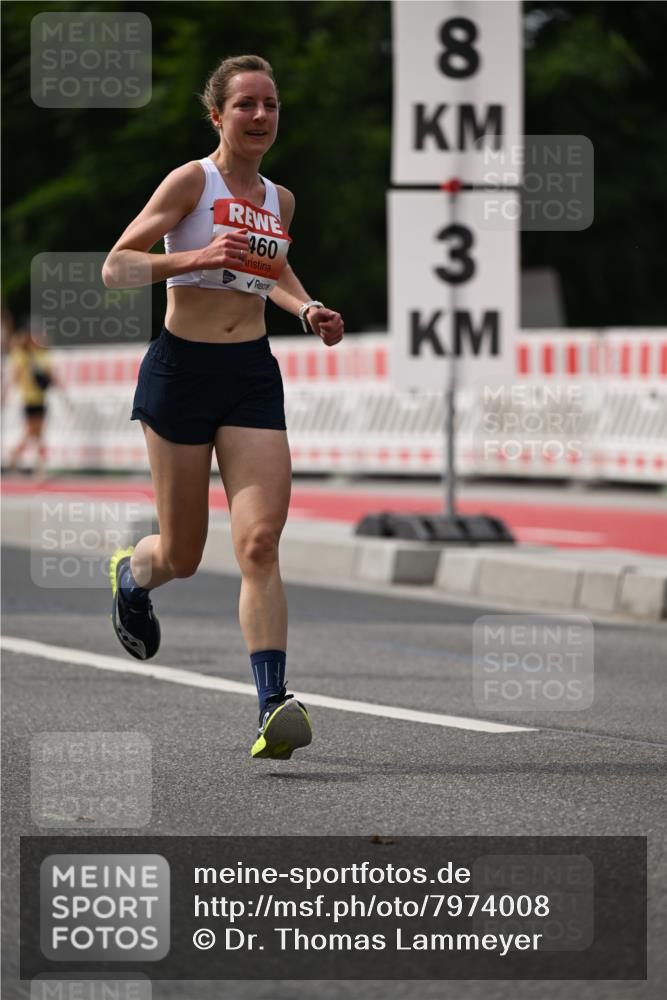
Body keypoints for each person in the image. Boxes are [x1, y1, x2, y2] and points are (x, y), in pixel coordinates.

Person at [102, 54, 344, 761]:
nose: (260, 116)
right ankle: (133, 574)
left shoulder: (280, 199)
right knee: (181, 553)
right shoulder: (191, 181)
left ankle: (273, 706)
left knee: (259, 542)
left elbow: (273, 274)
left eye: (270, 104)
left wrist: (308, 309)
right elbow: (117, 265)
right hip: (180, 371)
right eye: (245, 104)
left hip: (249, 376)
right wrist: (195, 255)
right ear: (218, 115)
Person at [6, 321, 58, 477]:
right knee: (32, 432)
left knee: (38, 434)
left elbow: (51, 376)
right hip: (29, 398)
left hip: (41, 398)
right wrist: (7, 393)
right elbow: (16, 375)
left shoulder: (42, 354)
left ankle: (36, 464)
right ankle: (19, 458)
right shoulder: (21, 354)